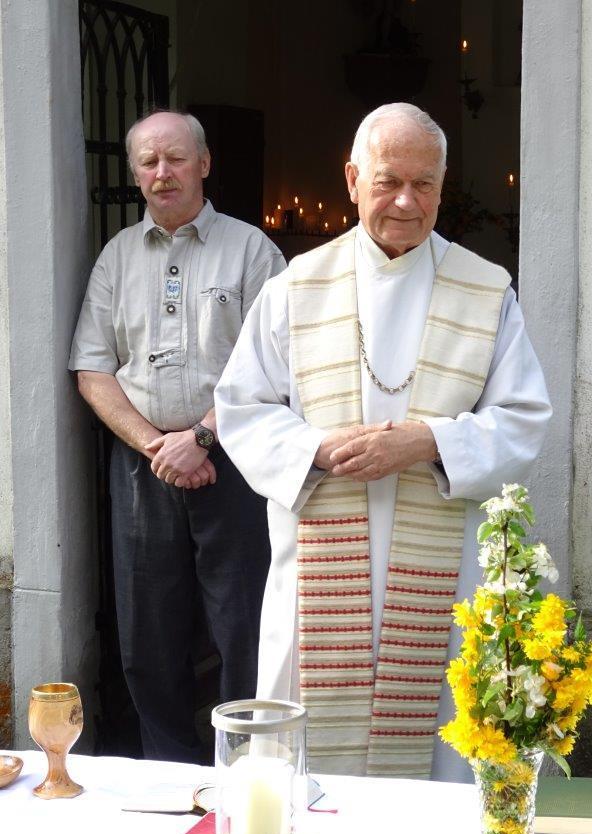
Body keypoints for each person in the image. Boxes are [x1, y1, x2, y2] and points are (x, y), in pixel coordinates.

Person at [215, 103, 552, 781]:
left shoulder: (486, 292)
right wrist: (315, 451)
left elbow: (523, 419)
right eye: (387, 181)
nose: (406, 201)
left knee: (441, 742)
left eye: (423, 184)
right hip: (319, 575)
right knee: (311, 760)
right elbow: (241, 409)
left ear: (442, 185)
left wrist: (427, 442)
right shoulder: (294, 290)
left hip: (441, 579)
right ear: (351, 180)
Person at [70, 110, 285, 762]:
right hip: (144, 466)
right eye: (149, 162)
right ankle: (167, 770)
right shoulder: (116, 257)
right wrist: (157, 445)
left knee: (243, 624)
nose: (162, 173)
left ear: (204, 163)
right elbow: (92, 368)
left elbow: (277, 365)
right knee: (147, 631)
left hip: (236, 460)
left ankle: (246, 767)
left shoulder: (251, 250)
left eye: (176, 158)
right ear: (136, 173)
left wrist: (202, 437)